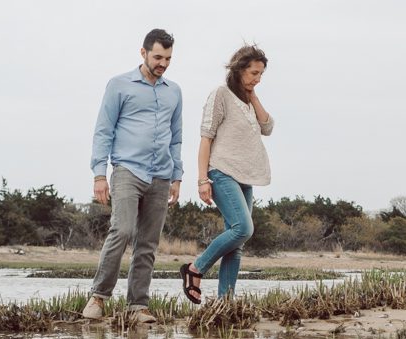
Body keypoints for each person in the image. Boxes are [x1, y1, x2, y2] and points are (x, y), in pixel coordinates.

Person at [82, 28, 184, 323]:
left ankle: (138, 306)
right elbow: (104, 130)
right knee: (122, 230)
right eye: (157, 56)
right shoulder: (119, 85)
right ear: (143, 53)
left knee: (148, 243)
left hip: (161, 175)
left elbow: (176, 137)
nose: (162, 63)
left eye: (168, 58)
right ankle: (98, 298)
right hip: (127, 170)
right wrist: (99, 174)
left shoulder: (174, 91)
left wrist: (177, 175)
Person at [180, 45, 273, 304]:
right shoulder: (221, 94)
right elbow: (206, 137)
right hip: (220, 172)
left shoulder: (248, 102)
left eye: (261, 74)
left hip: (245, 177)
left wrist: (252, 96)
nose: (257, 79)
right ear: (239, 69)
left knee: (237, 241)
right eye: (253, 73)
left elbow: (268, 126)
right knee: (243, 228)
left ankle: (225, 303)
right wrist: (202, 179)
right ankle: (195, 269)